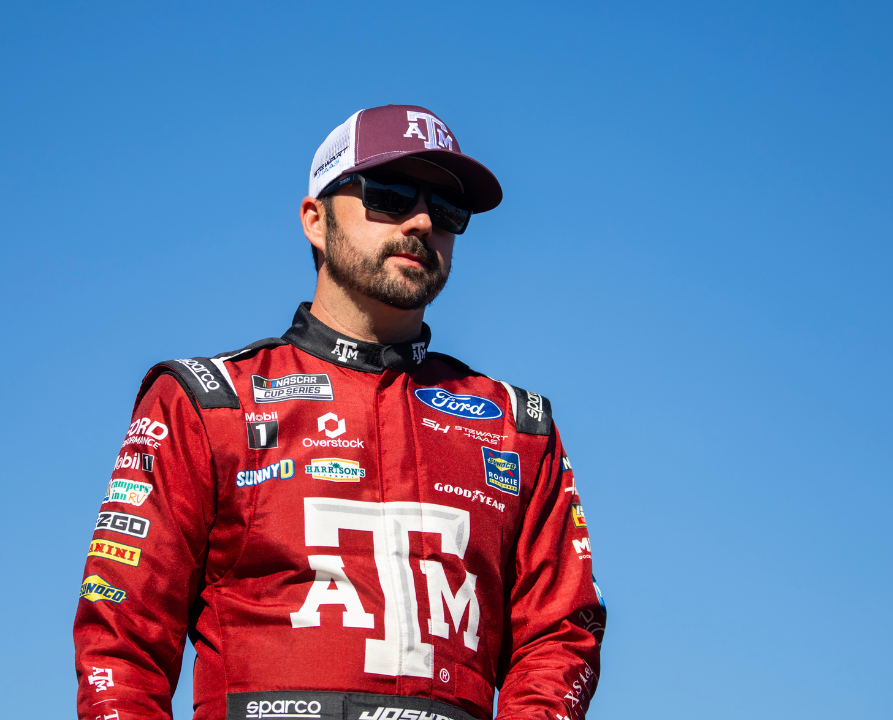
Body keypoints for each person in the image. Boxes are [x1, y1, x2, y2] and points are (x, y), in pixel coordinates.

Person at [74, 104, 604, 720]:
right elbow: (121, 640)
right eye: (389, 195)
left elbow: (560, 634)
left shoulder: (518, 426)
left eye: (447, 210)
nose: (423, 221)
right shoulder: (205, 401)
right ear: (315, 220)